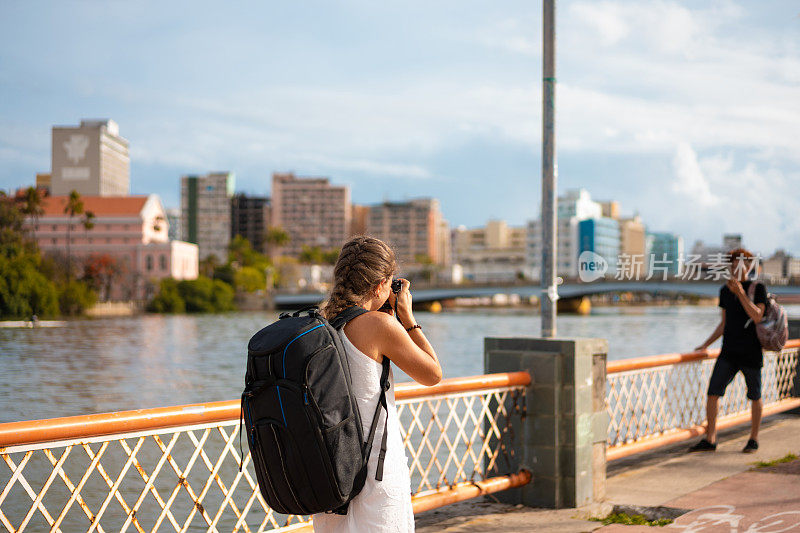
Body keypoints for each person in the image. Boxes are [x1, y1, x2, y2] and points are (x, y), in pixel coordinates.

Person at [313, 236, 442, 533]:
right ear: (380, 284)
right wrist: (407, 318)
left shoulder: (321, 323)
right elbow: (432, 374)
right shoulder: (380, 326)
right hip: (375, 476)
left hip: (331, 475)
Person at [690, 248, 767, 453]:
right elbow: (723, 324)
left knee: (755, 395)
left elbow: (758, 316)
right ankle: (711, 439)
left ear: (749, 266)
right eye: (732, 264)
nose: (735, 268)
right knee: (713, 392)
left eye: (740, 264)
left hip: (751, 352)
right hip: (728, 352)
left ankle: (753, 439)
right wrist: (706, 344)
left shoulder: (757, 288)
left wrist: (741, 293)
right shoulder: (724, 290)